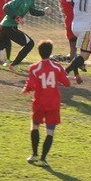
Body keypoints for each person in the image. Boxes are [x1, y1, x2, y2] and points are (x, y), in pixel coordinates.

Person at [22, 40, 70, 168]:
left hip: (39, 102)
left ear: (39, 52)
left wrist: (26, 89)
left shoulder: (34, 67)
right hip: (53, 103)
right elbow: (66, 83)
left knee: (35, 126)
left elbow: (31, 85)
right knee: (50, 131)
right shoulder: (57, 67)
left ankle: (34, 154)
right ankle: (43, 159)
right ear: (50, 52)